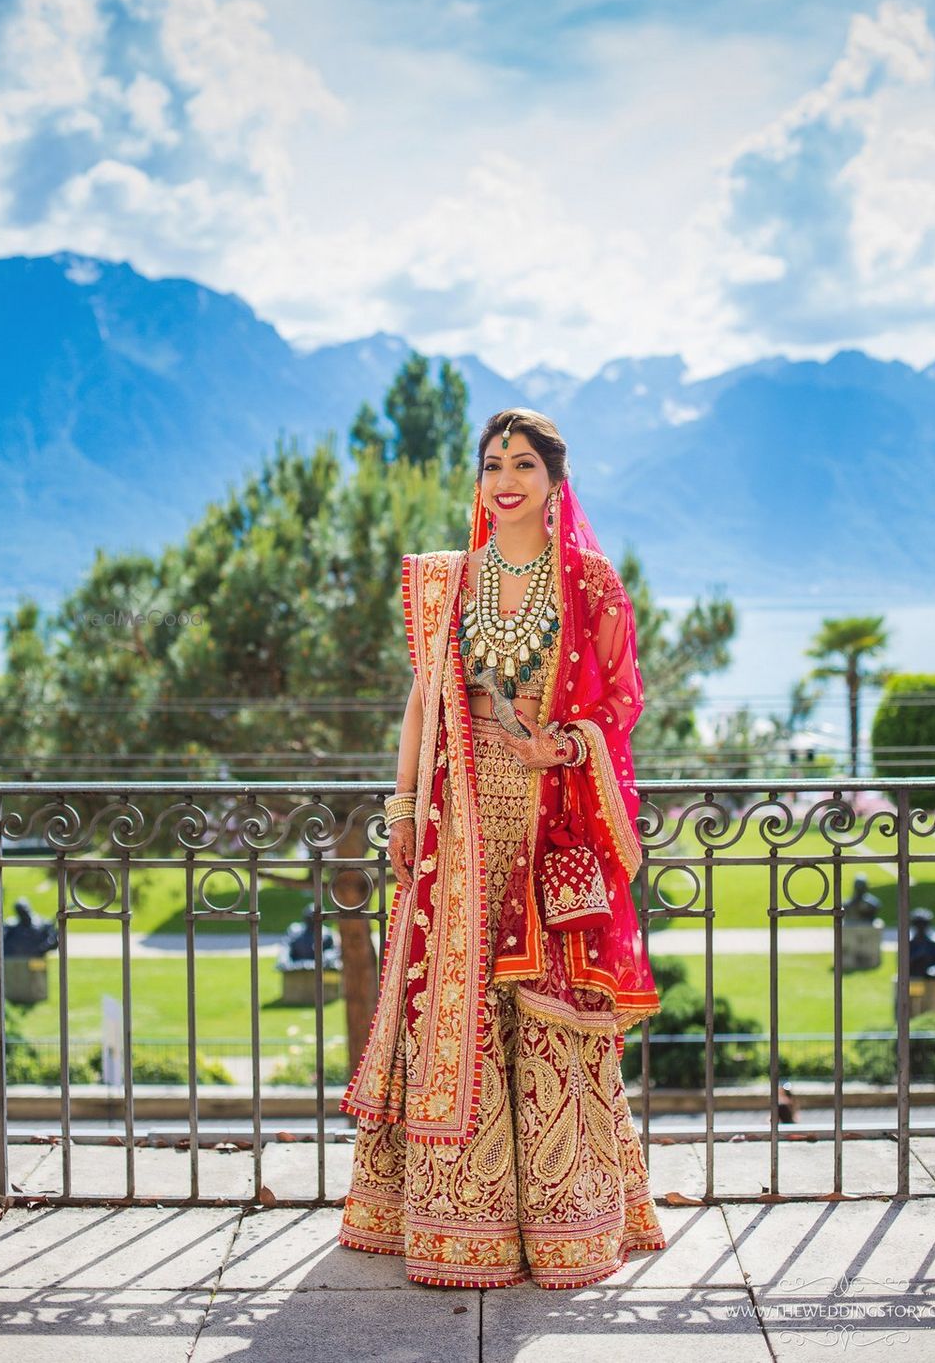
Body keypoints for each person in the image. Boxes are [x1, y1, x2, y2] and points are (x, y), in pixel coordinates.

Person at [338, 407, 666, 1288]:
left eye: (523, 462)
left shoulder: (590, 582)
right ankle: (453, 1223)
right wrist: (402, 807)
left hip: (551, 808)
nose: (506, 478)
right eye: (492, 465)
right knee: (456, 1000)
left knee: (548, 1001)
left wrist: (559, 747)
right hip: (461, 805)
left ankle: (568, 1219)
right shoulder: (453, 579)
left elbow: (616, 708)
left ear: (556, 480)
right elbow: (420, 702)